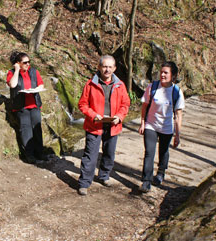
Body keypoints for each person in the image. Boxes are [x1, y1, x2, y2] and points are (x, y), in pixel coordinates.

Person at [77, 55, 130, 195]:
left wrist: (119, 116)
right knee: (90, 155)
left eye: (110, 67)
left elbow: (125, 104)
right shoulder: (90, 84)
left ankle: (104, 176)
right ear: (99, 67)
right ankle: (84, 183)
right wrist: (94, 115)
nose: (107, 70)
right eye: (104, 66)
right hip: (94, 125)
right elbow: (82, 104)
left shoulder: (120, 85)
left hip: (113, 125)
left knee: (109, 153)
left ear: (114, 68)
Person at [138, 61, 184, 192]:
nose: (162, 75)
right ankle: (146, 181)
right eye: (161, 72)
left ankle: (160, 173)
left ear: (173, 76)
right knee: (149, 152)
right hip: (151, 125)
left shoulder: (176, 92)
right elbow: (145, 106)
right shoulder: (152, 87)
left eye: (166, 73)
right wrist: (142, 122)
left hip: (167, 128)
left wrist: (177, 134)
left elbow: (178, 115)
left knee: (163, 152)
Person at [6, 51, 45, 164]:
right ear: (18, 63)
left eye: (29, 62)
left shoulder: (34, 71)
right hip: (21, 106)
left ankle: (40, 153)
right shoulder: (12, 72)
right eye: (25, 62)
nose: (28, 64)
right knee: (26, 130)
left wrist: (36, 89)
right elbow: (12, 85)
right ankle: (29, 155)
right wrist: (17, 70)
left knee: (37, 128)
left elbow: (41, 84)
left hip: (34, 104)